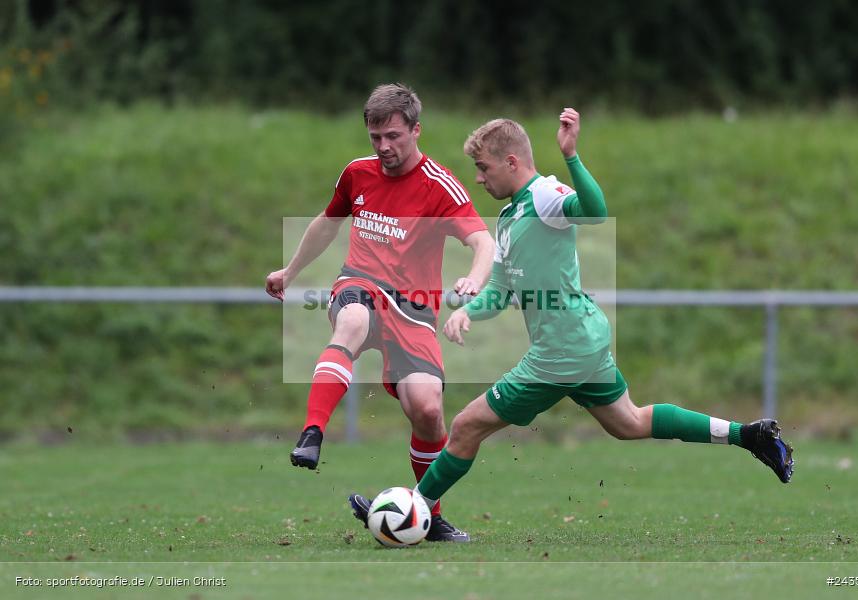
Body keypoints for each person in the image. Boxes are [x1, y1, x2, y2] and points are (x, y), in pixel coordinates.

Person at [390, 108, 794, 529]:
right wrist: (467, 313)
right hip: (581, 339)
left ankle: (411, 511)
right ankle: (749, 435)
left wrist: (571, 156)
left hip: (561, 349)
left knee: (466, 424)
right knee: (629, 422)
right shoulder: (510, 218)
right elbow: (499, 291)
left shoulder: (545, 195)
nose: (478, 178)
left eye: (483, 167)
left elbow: (595, 210)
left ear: (511, 162)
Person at [265, 83, 493, 542]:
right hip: (360, 283)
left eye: (393, 136)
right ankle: (312, 433)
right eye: (376, 137)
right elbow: (328, 222)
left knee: (428, 411)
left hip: (413, 311)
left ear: (415, 129)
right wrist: (291, 270)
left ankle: (428, 513)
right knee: (351, 319)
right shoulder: (357, 174)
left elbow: (483, 241)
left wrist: (474, 279)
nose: (384, 147)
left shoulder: (439, 185)